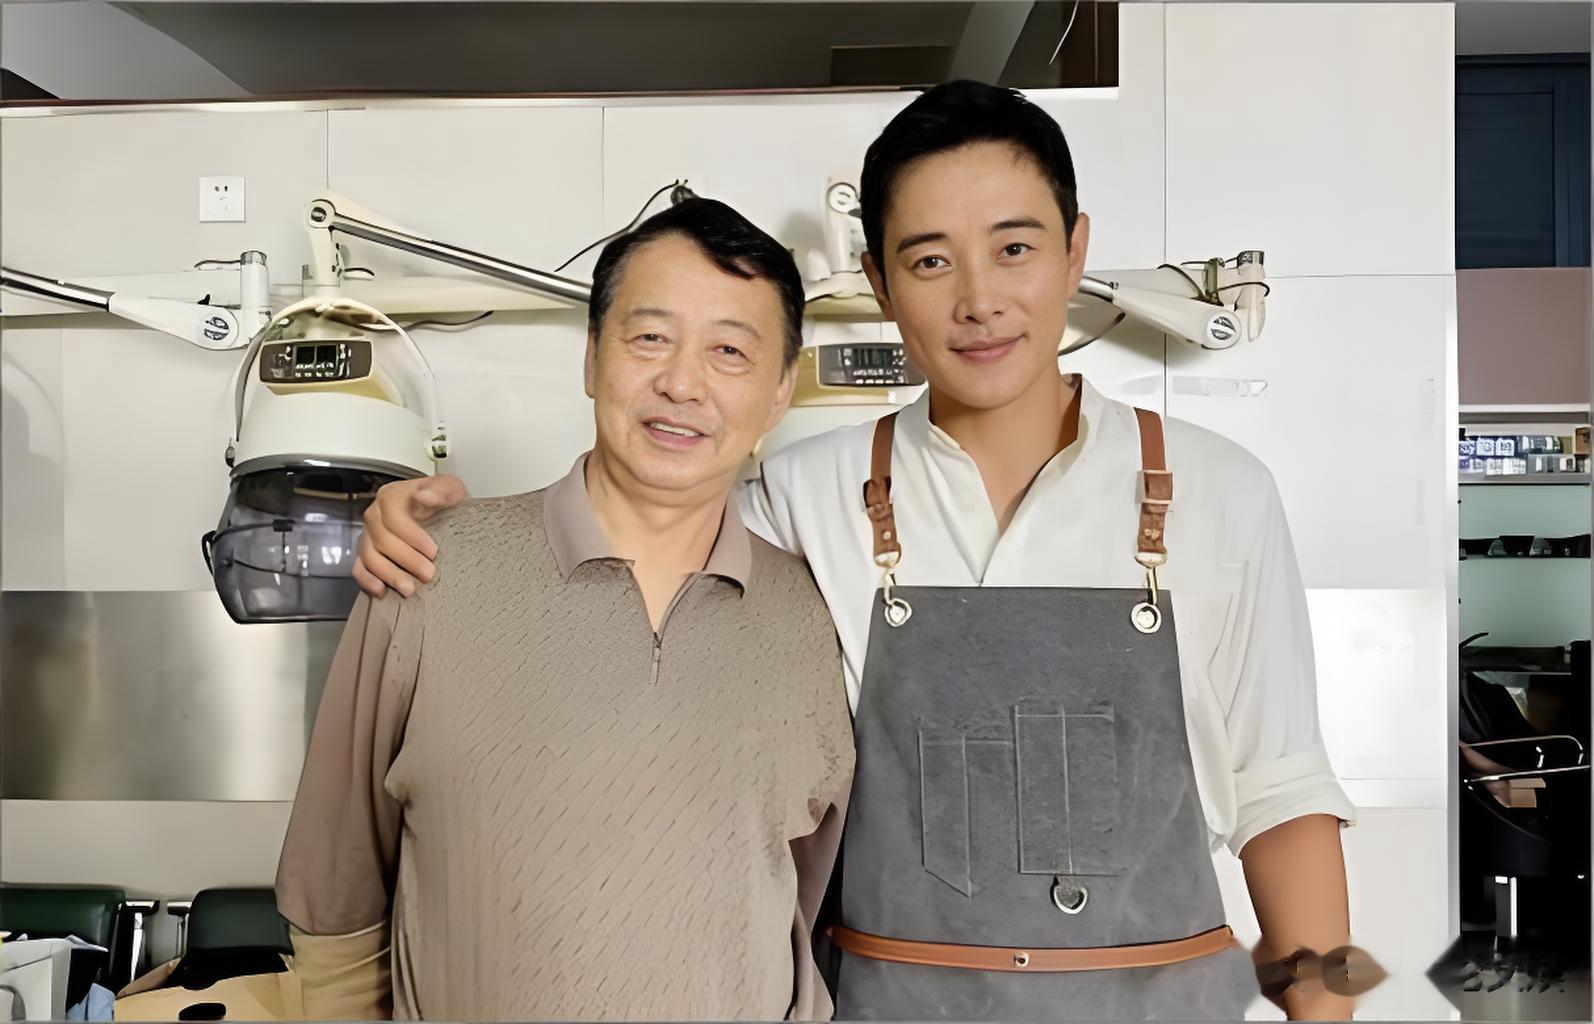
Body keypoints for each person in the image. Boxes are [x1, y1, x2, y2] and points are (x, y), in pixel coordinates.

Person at [354, 81, 1361, 1021]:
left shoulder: (1224, 490)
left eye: (1014, 248)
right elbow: (635, 530)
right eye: (930, 261)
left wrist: (1332, 1008)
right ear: (879, 282)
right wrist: (440, 525)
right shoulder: (799, 497)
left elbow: (1285, 795)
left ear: (1074, 250)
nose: (979, 300)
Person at [276, 198, 855, 1021]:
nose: (682, 383)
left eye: (729, 351)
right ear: (592, 357)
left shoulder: (810, 615)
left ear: (778, 393)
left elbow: (797, 893)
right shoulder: (430, 570)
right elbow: (337, 886)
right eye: (649, 338)